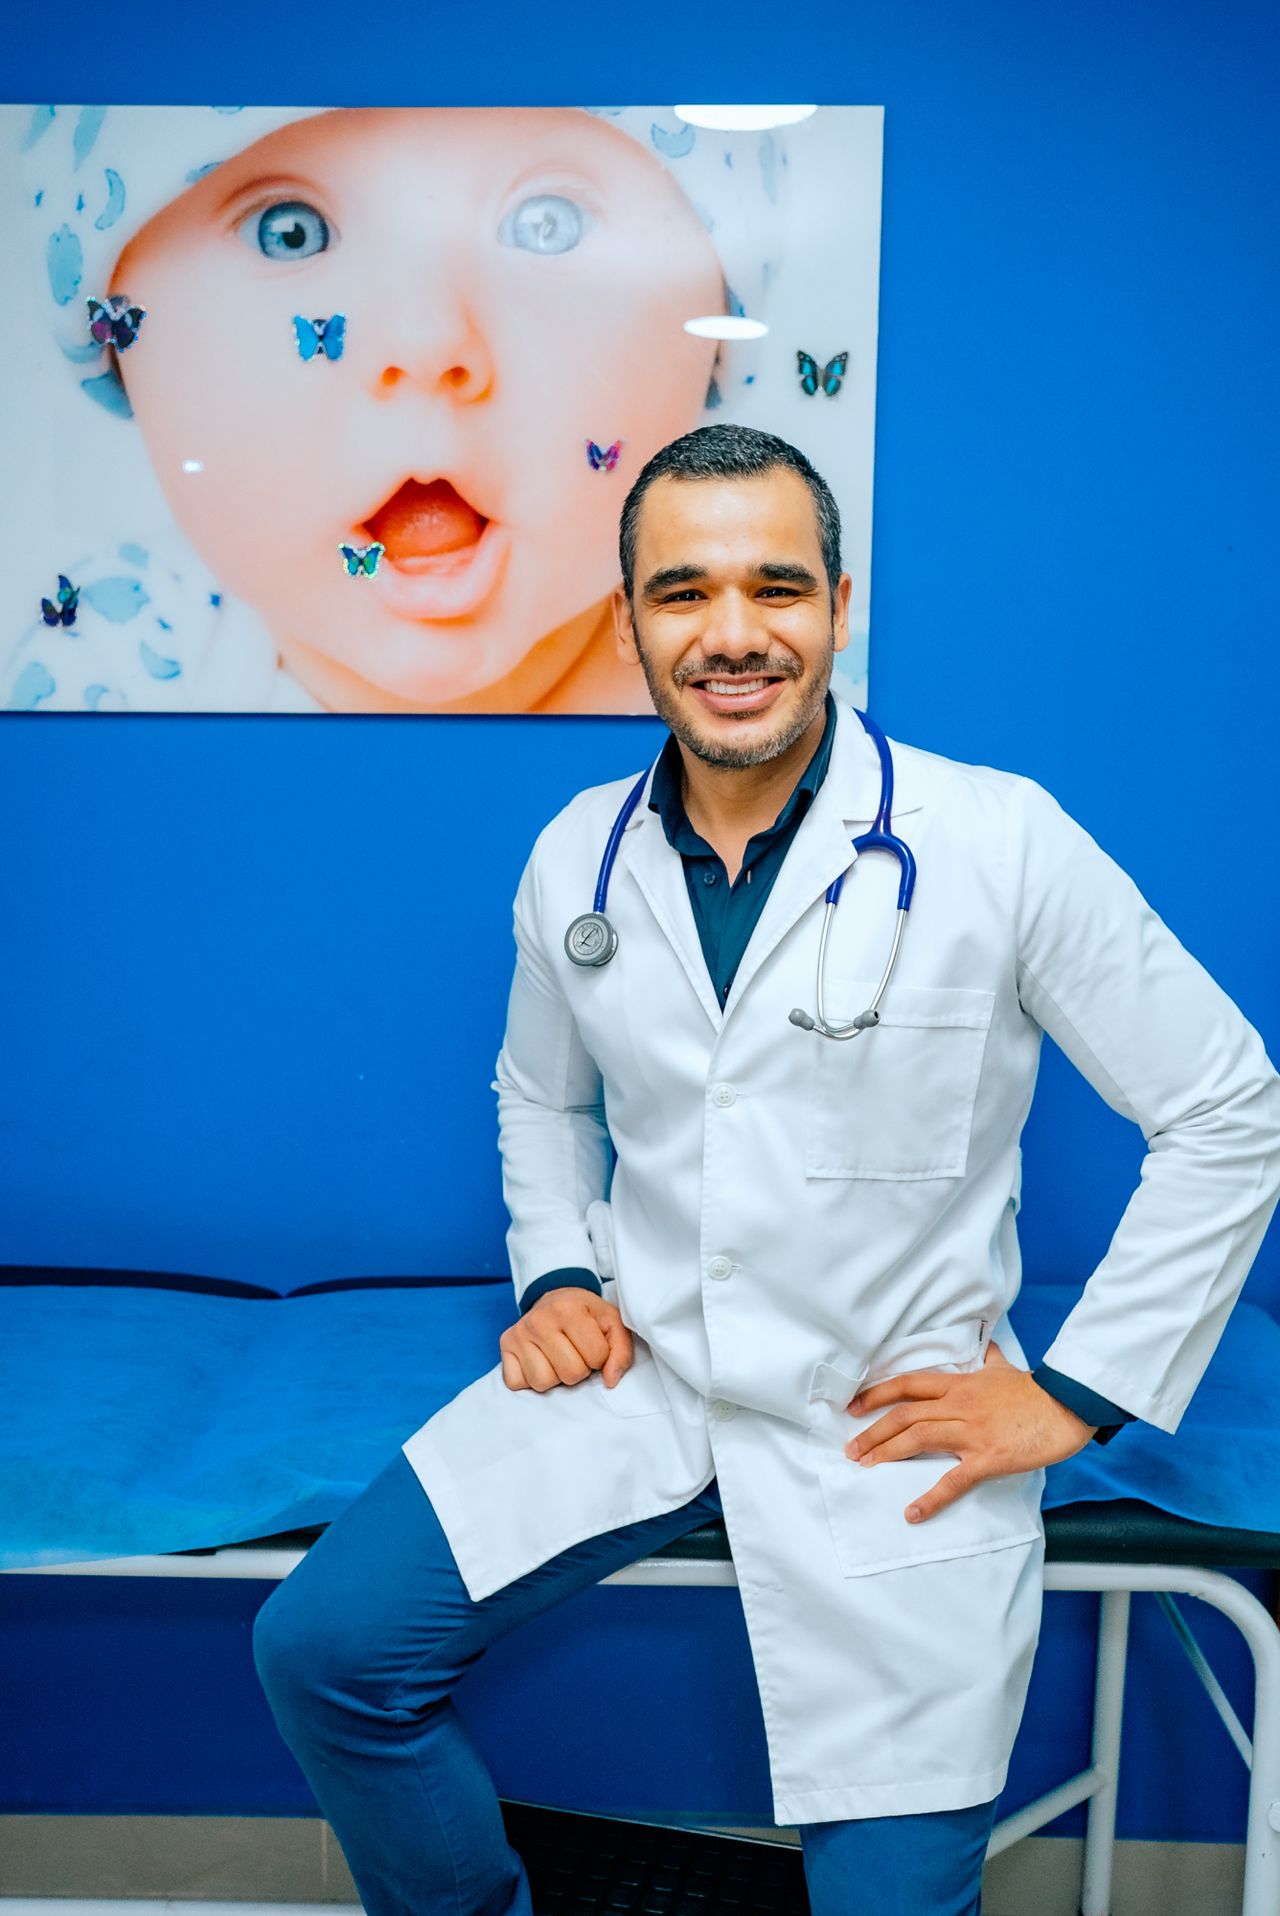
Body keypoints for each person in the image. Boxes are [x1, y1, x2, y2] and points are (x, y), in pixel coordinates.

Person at [251, 424, 1280, 1916]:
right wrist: (558, 1271)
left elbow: (1230, 1108)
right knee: (324, 1652)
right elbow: (540, 1097)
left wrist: (1078, 1390)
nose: (731, 634)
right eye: (682, 592)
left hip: (887, 1414)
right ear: (629, 623)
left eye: (775, 587)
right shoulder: (576, 857)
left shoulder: (997, 841)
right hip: (644, 1371)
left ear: (840, 606)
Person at [4, 103, 788, 714]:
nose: (424, 340)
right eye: (289, 233)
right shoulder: (112, 662)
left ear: (714, 339)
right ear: (117, 347)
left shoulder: (774, 673)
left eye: (548, 224)